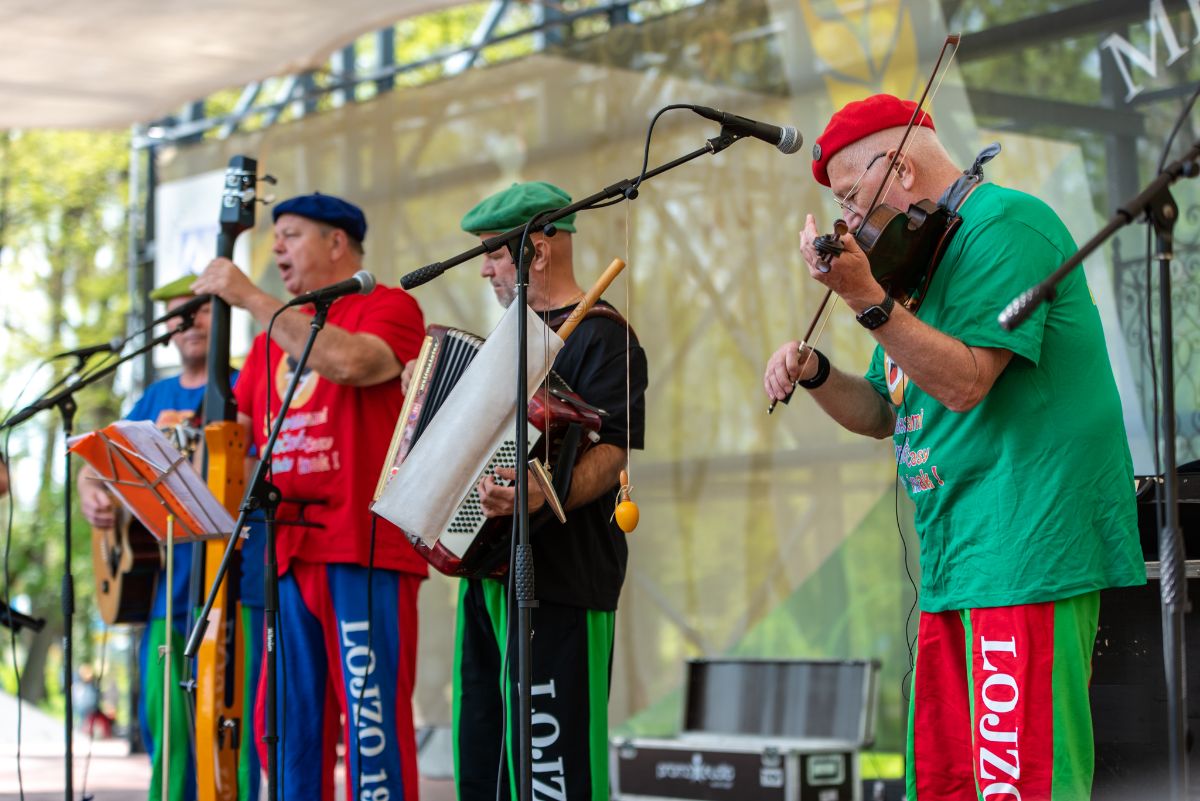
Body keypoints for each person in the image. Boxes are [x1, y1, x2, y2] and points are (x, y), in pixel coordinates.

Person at [762, 94, 1145, 800]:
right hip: (956, 554)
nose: (847, 221)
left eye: (849, 197)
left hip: (1023, 544)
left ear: (900, 168)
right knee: (948, 781)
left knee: (1018, 780)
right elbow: (885, 409)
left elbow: (967, 382)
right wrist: (815, 372)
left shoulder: (1006, 226)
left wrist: (867, 300)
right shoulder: (918, 264)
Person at [193, 193, 427, 801]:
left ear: (337, 243)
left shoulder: (389, 305)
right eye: (275, 235)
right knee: (286, 729)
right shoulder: (271, 339)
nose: (276, 247)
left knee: (371, 725)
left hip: (363, 546)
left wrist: (250, 298)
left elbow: (352, 363)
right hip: (287, 555)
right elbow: (243, 448)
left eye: (291, 234)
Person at [446, 181, 648, 800]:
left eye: (493, 253)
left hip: (563, 578)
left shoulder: (604, 335)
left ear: (537, 249)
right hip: (488, 573)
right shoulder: (504, 341)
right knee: (483, 759)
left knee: (556, 775)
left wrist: (545, 494)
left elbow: (613, 451)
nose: (484, 270)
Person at [77, 277, 264, 801]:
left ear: (223, 318)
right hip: (165, 591)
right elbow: (98, 463)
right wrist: (92, 493)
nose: (191, 324)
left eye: (201, 311)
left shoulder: (242, 387)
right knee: (166, 728)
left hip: (234, 586)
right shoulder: (155, 397)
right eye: (180, 315)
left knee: (232, 729)